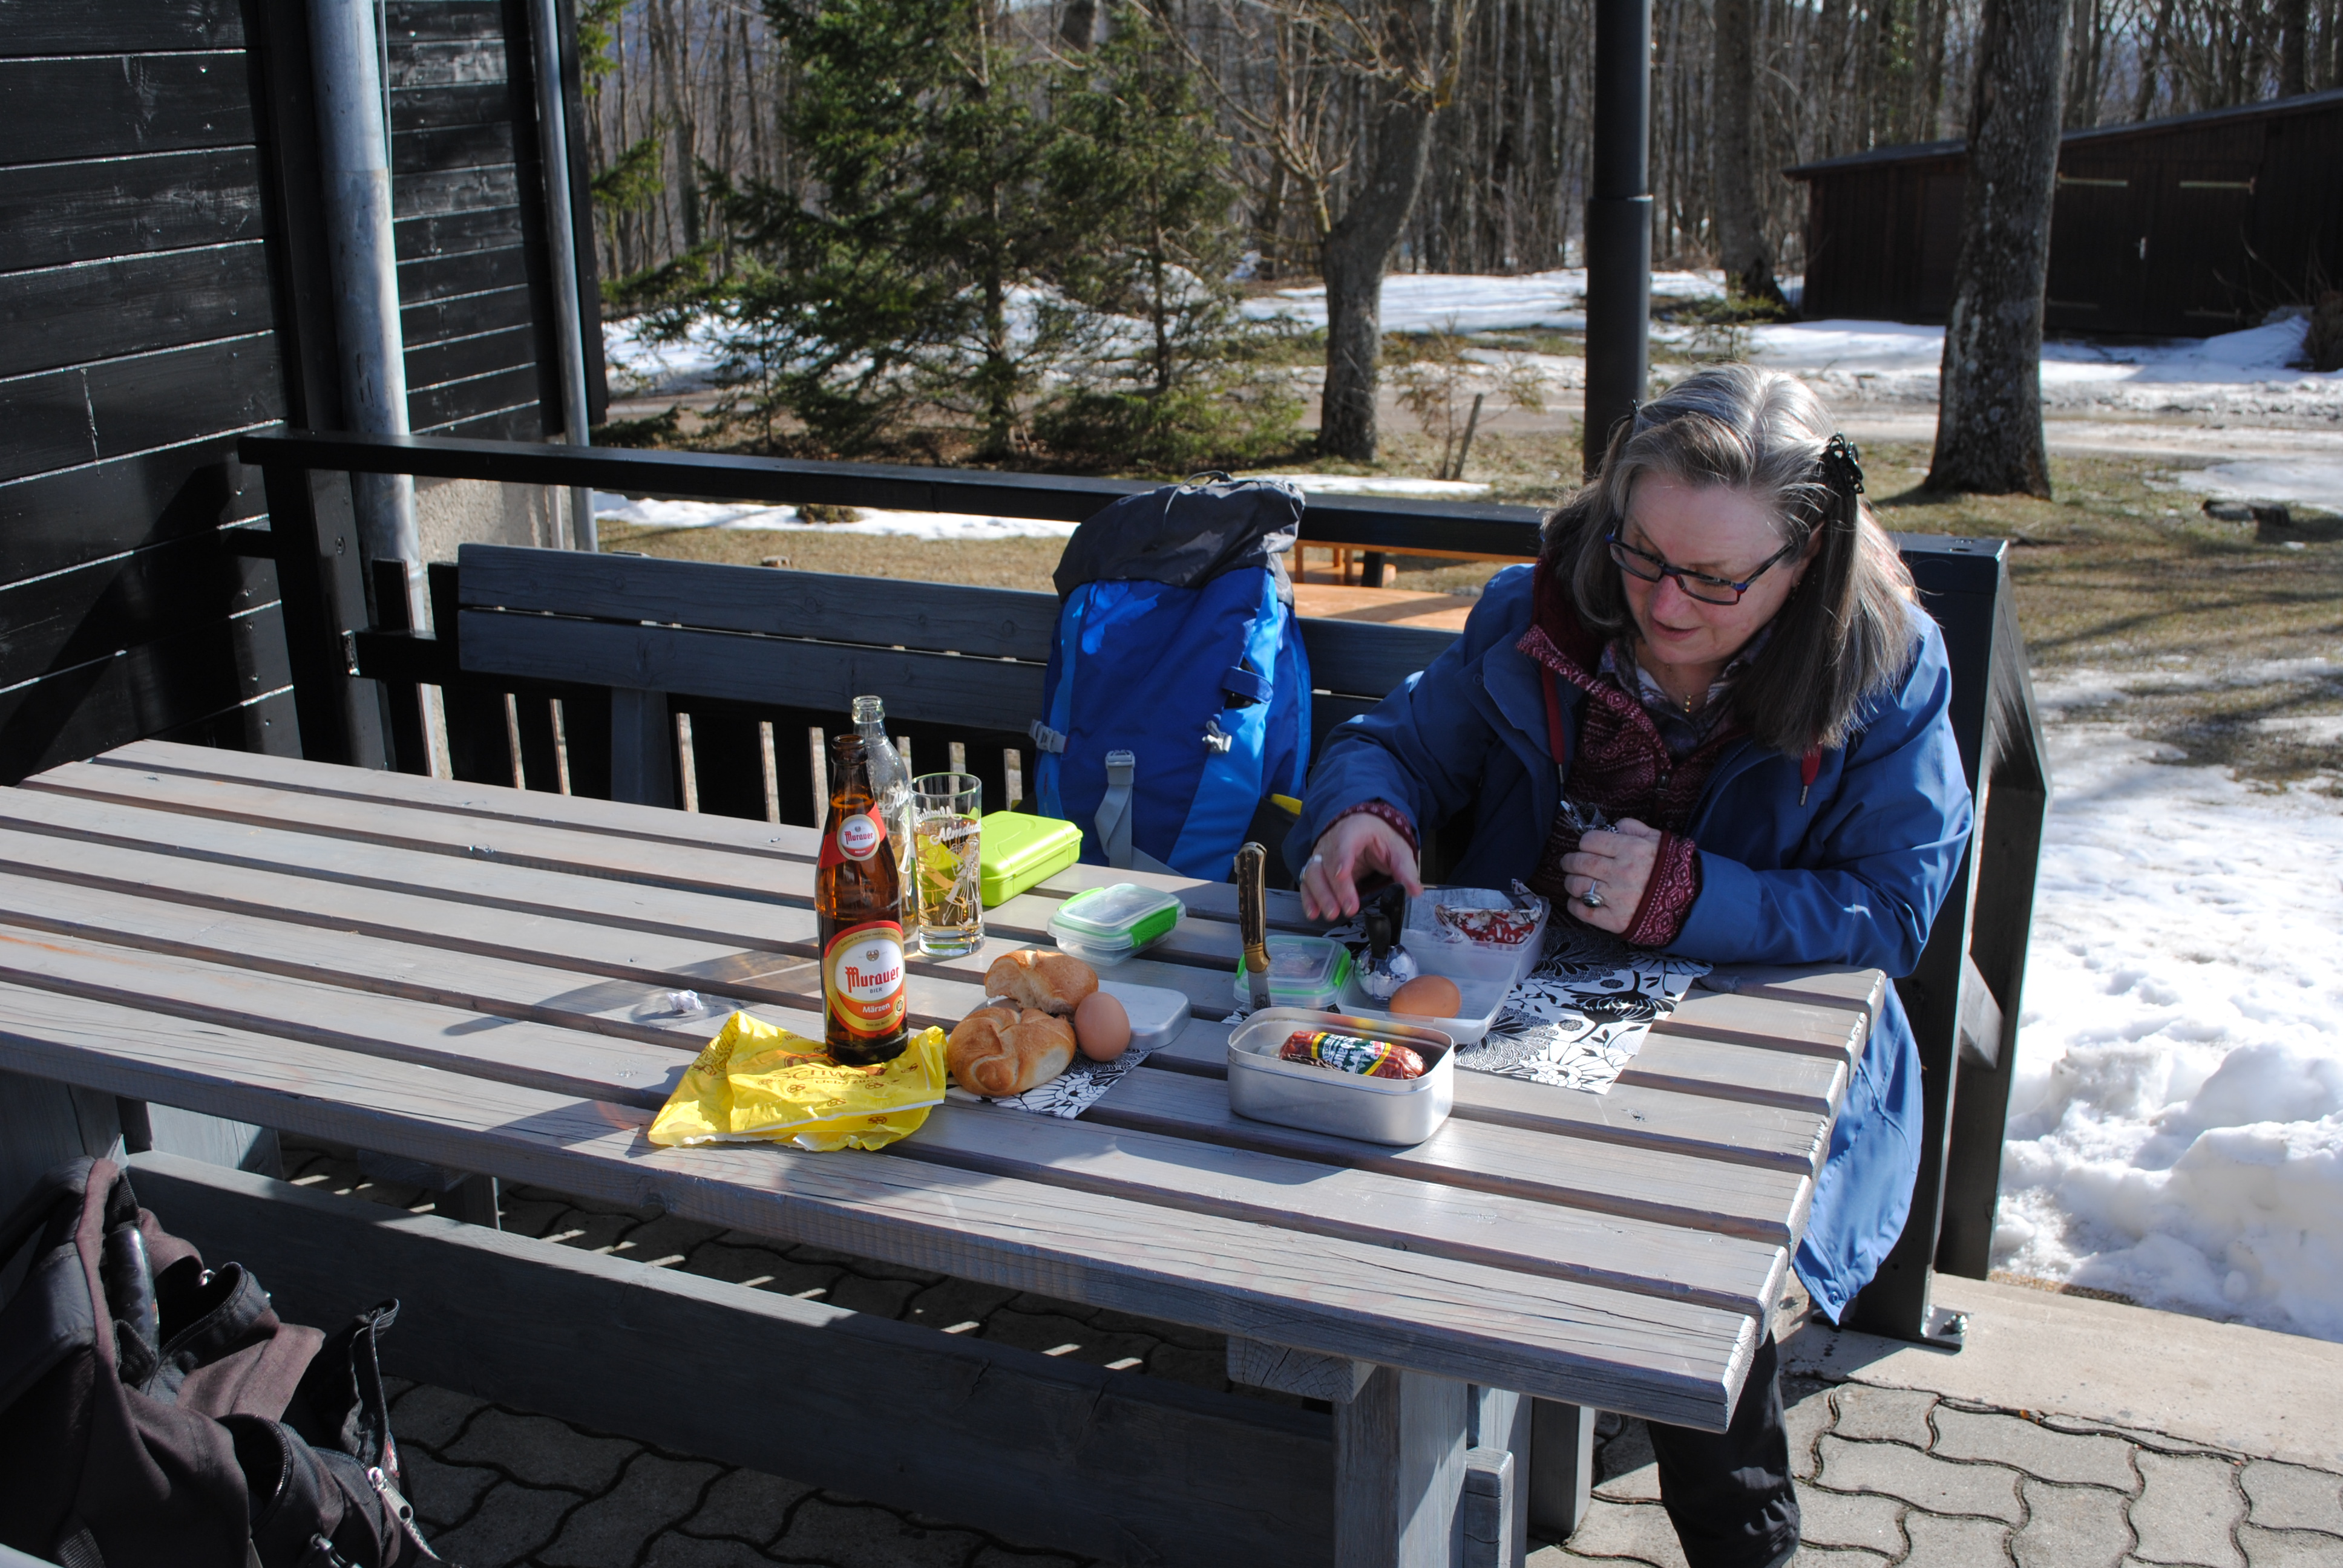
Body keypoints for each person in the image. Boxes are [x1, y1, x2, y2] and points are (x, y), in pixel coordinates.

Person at [1283, 364, 1973, 1568]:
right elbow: (1401, 743)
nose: (1661, 603)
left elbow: (1892, 909)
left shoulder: (1883, 667)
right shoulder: (1540, 610)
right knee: (1350, 1156)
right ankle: (1368, 1455)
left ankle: (1742, 1540)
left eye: (1713, 578)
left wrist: (1690, 895)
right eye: (1643, 554)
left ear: (1806, 558)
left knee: (1683, 1252)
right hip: (1511, 1008)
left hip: (1747, 1044)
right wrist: (1364, 812)